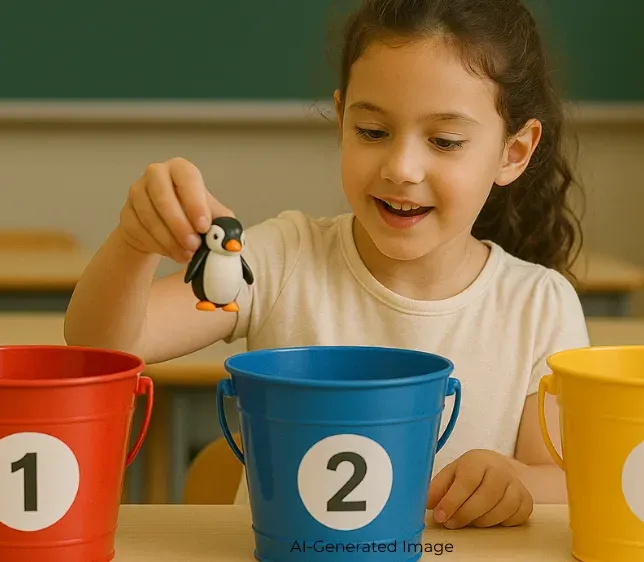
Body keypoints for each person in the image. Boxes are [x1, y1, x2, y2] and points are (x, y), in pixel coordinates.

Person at [64, 0, 588, 530]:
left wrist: (513, 480)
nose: (402, 168)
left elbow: (569, 478)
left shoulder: (539, 306)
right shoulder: (279, 260)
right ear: (341, 119)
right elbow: (105, 350)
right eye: (372, 132)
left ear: (513, 152)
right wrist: (135, 241)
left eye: (444, 141)